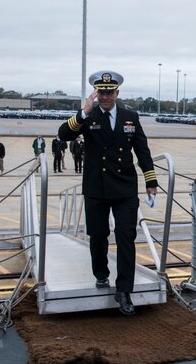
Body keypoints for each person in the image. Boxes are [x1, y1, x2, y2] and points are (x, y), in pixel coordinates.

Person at [58, 70, 158, 316]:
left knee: (126, 236)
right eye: (101, 93)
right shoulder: (88, 116)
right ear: (96, 93)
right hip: (96, 188)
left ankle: (124, 290)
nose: (105, 97)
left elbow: (142, 150)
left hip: (124, 187)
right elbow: (63, 134)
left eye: (109, 93)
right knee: (98, 235)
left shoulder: (130, 117)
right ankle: (101, 273)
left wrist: (150, 180)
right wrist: (84, 111)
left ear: (117, 93)